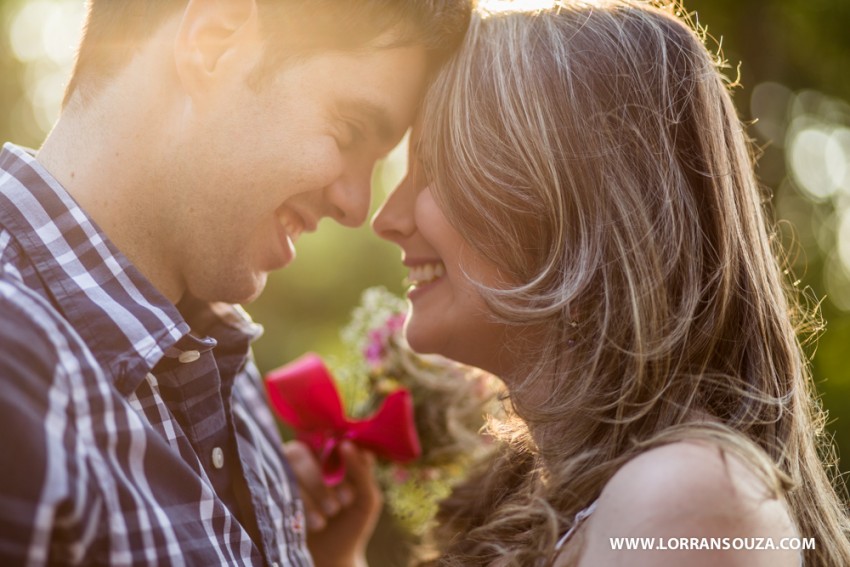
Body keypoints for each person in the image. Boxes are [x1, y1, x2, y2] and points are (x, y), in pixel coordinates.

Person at [295, 1, 850, 565]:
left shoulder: (687, 495)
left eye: (435, 168)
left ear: (571, 203)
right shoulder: (578, 495)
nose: (386, 217)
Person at [0, 1, 472, 565]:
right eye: (348, 133)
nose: (357, 206)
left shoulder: (222, 364)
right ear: (214, 43)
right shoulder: (16, 370)